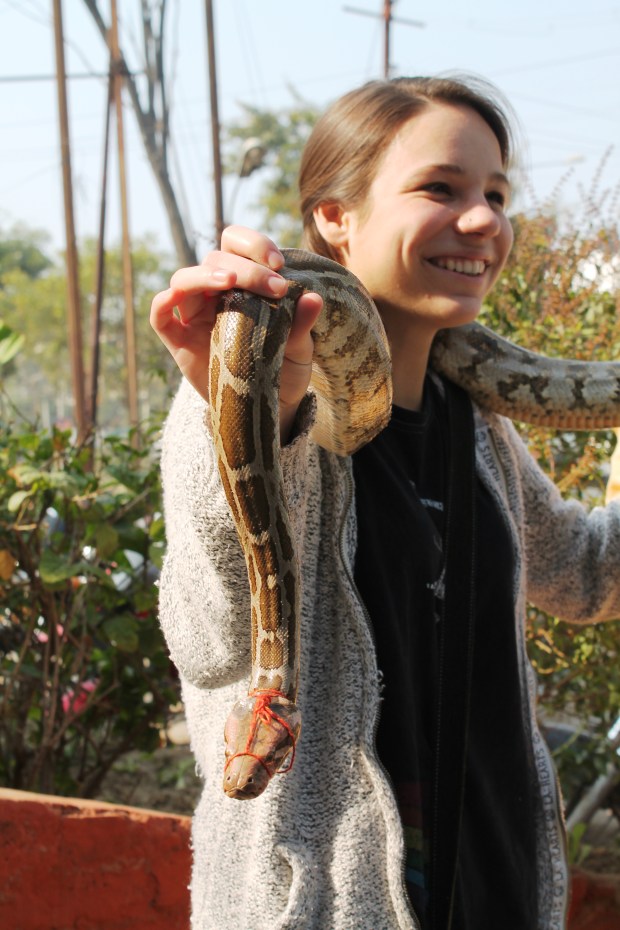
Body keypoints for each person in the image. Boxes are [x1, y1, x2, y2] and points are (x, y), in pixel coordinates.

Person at [150, 75, 620, 930]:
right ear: (336, 216)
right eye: (440, 188)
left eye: (497, 195)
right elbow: (212, 637)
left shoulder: (476, 428)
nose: (484, 221)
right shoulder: (267, 404)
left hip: (499, 892)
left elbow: (588, 575)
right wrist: (236, 403)